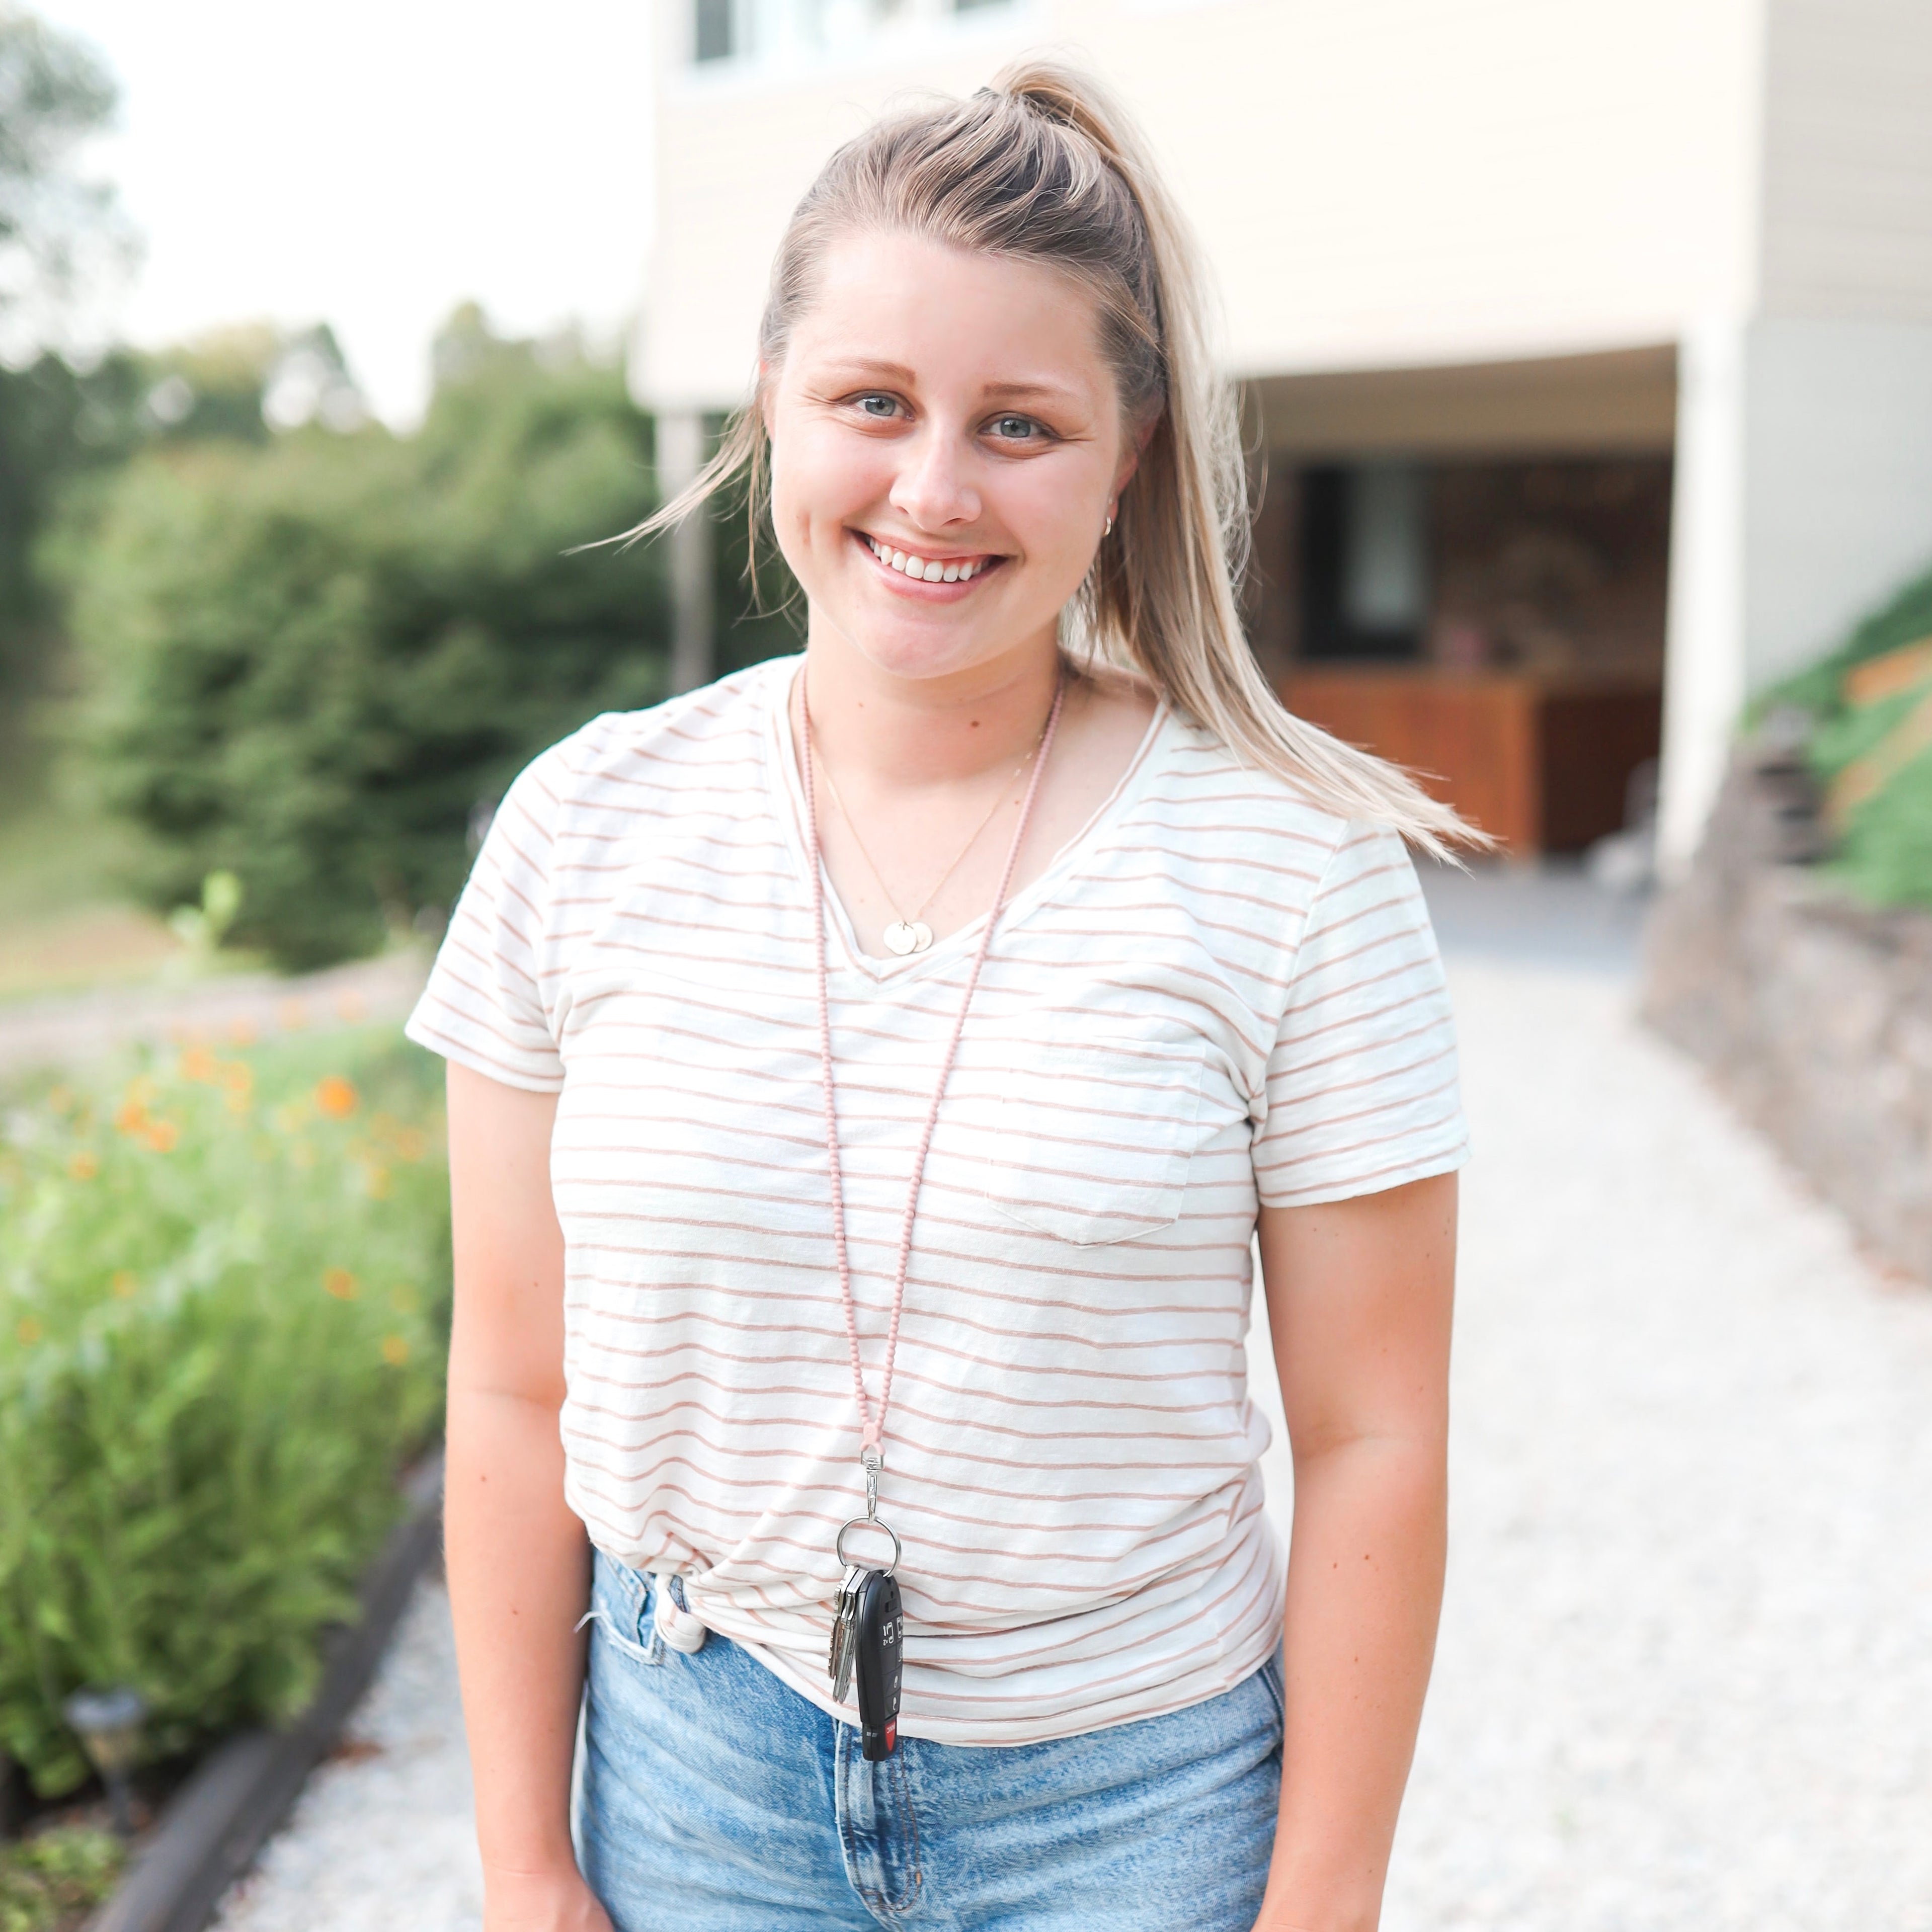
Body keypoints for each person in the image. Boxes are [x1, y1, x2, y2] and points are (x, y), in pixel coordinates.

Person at [408, 59, 1475, 1932]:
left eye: (1020, 424)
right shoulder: (586, 829)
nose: (934, 489)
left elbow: (1374, 1438)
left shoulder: (1296, 871)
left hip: (1135, 1814)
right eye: (874, 402)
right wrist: (523, 1861)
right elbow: (509, 1390)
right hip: (693, 1793)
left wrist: (1324, 1906)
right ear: (772, 399)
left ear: (1128, 456)